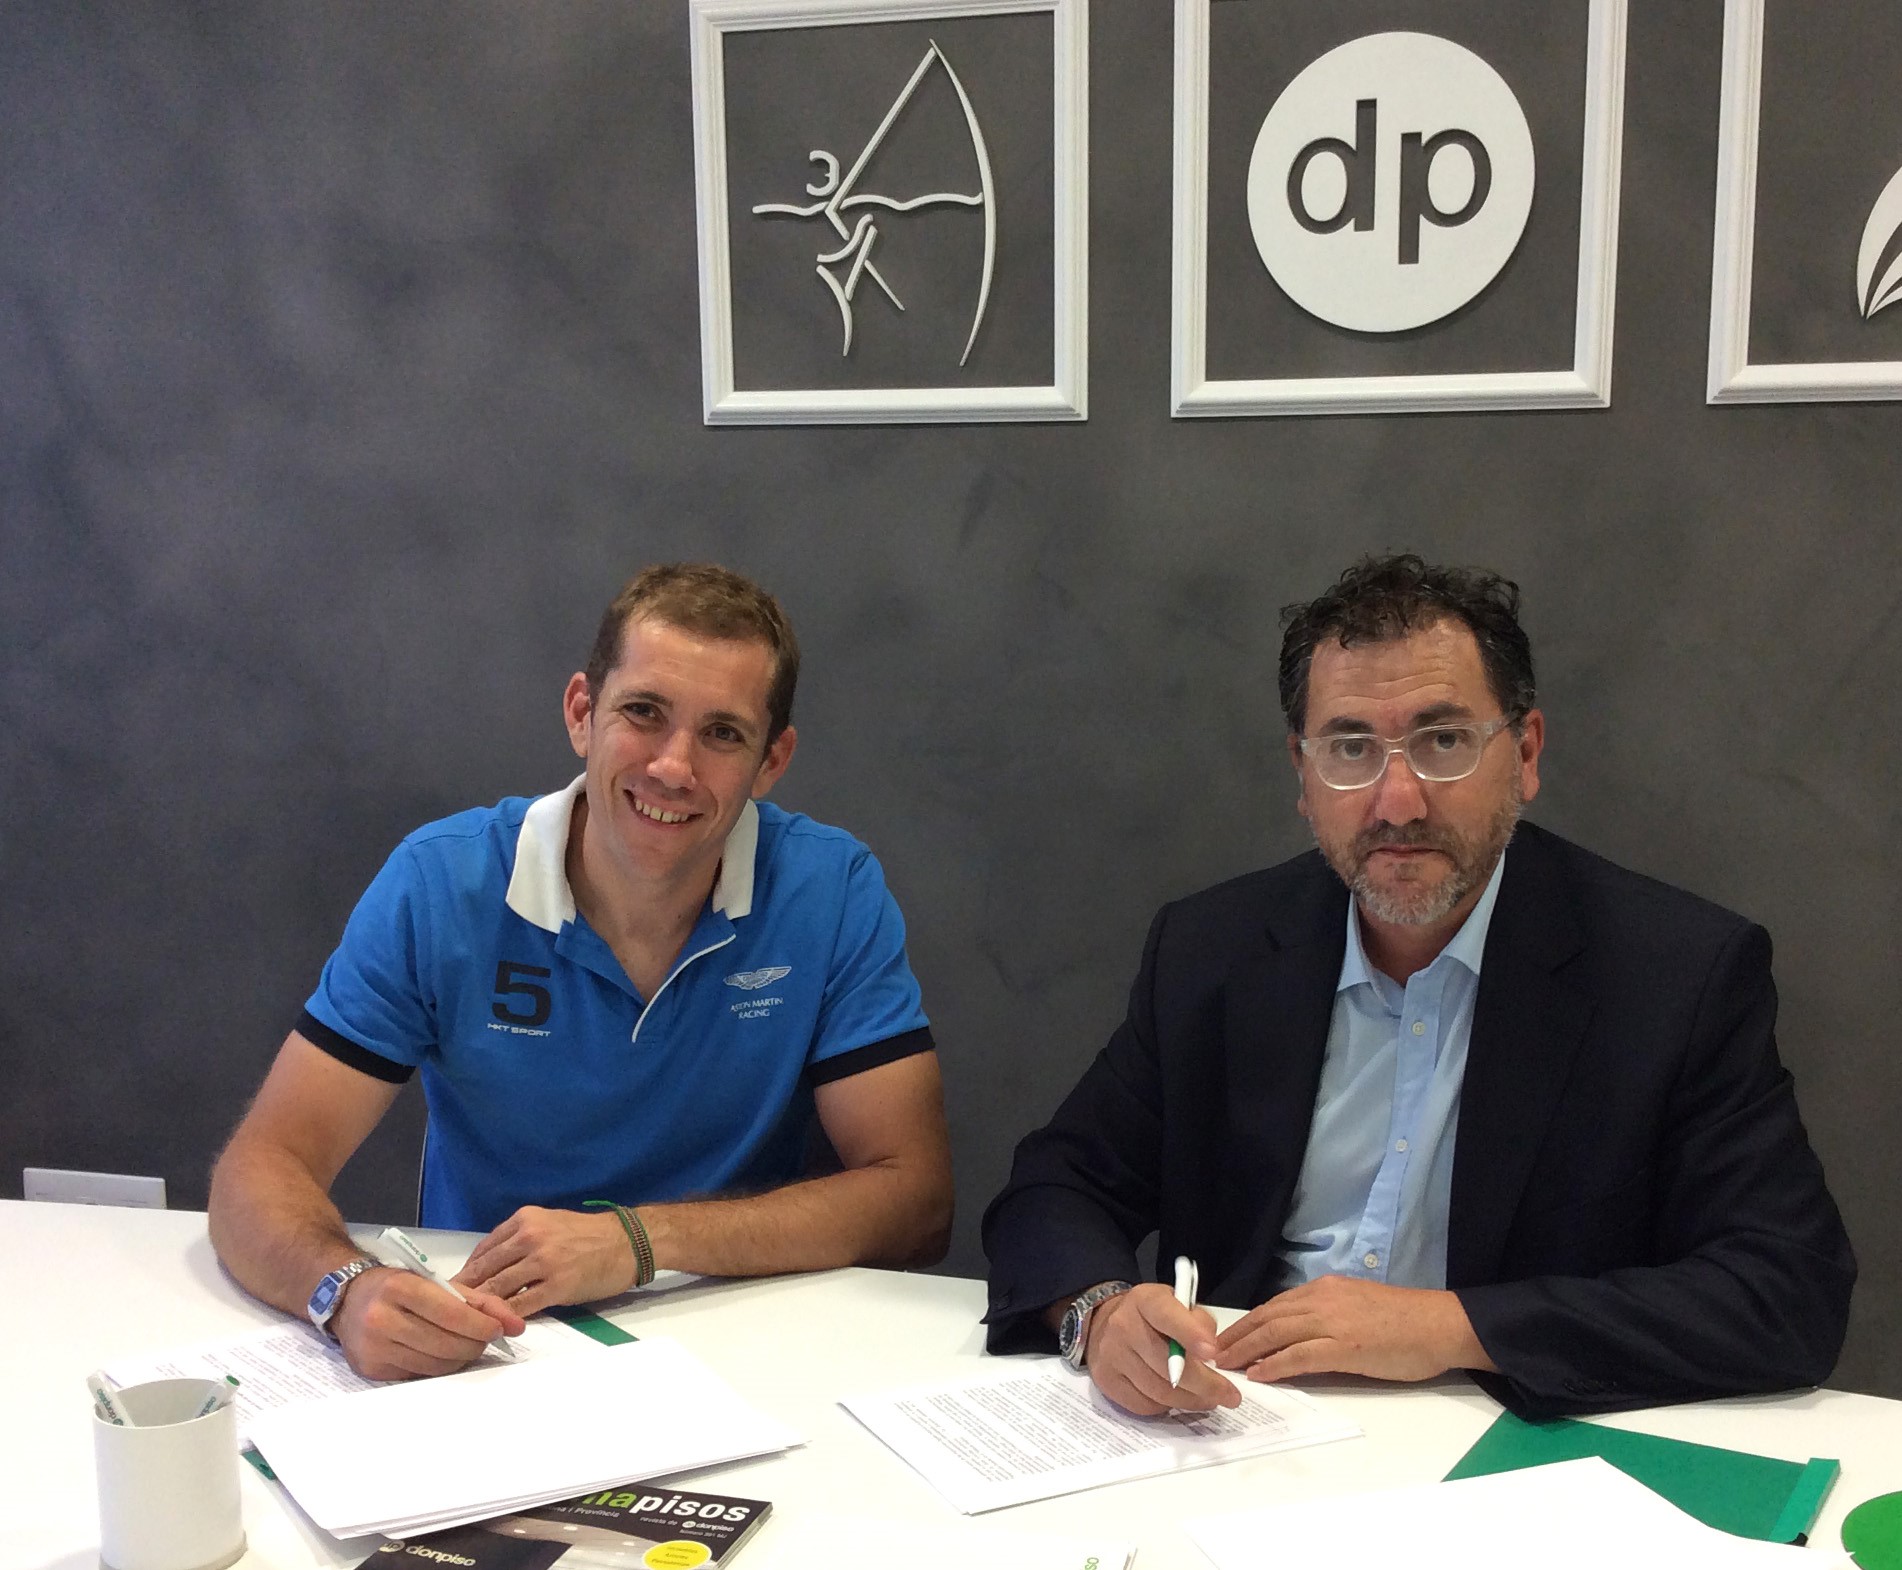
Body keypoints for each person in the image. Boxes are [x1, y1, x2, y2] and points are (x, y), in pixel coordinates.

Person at [982, 553, 1854, 1420]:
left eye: (1442, 741)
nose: (1397, 801)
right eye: (1350, 748)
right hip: (1236, 1421)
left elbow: (1785, 1291)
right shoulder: (1212, 949)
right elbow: (1056, 1186)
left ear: (1525, 753)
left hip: (1506, 1437)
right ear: (1303, 773)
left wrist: (1452, 1327)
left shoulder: (1677, 974)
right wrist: (1100, 1314)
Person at [210, 563, 953, 1380]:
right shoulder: (441, 882)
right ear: (581, 713)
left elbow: (914, 1202)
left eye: (722, 734)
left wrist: (638, 1241)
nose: (673, 767)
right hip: (490, 1341)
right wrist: (344, 1292)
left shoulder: (832, 889)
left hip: (744, 1329)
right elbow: (262, 1168)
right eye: (644, 712)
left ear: (771, 761)